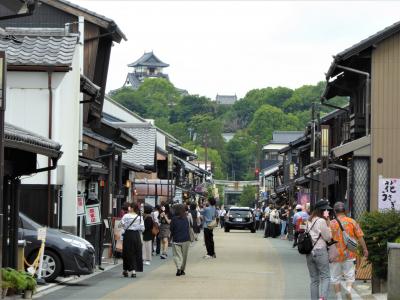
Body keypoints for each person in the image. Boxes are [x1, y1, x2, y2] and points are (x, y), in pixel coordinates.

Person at [330, 202, 369, 300]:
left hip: (336, 255)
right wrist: (365, 249)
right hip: (350, 254)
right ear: (345, 211)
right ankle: (348, 289)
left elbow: (327, 238)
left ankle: (339, 298)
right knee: (350, 276)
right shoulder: (352, 222)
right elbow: (360, 237)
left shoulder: (331, 223)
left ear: (335, 211)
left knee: (335, 278)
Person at [306, 199, 332, 300]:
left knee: (314, 279)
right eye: (326, 210)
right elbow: (328, 238)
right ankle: (323, 298)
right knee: (325, 277)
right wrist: (328, 225)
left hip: (309, 252)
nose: (327, 211)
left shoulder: (309, 220)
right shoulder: (321, 221)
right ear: (322, 210)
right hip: (320, 251)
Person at [120, 202, 145, 278]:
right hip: (136, 235)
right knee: (135, 252)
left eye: (129, 207)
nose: (128, 208)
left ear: (131, 208)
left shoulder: (126, 216)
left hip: (127, 235)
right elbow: (142, 228)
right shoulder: (139, 217)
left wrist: (125, 226)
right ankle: (134, 271)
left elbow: (121, 224)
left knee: (127, 252)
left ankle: (126, 270)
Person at [170, 204, 191, 276]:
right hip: (186, 239)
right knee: (184, 256)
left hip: (176, 239)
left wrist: (171, 236)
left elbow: (171, 229)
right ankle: (182, 270)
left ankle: (178, 268)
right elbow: (188, 228)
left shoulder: (173, 219)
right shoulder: (186, 218)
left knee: (176, 255)